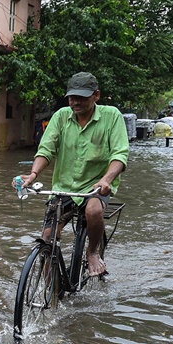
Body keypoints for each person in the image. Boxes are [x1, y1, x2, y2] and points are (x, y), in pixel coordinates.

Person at [16, 72, 129, 277]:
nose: (75, 102)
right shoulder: (60, 116)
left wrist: (106, 179)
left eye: (82, 97)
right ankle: (51, 288)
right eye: (72, 97)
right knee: (48, 236)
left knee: (94, 211)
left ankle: (93, 251)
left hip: (95, 186)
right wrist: (33, 174)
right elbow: (46, 149)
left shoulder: (112, 116)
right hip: (64, 187)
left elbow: (120, 154)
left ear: (96, 95)